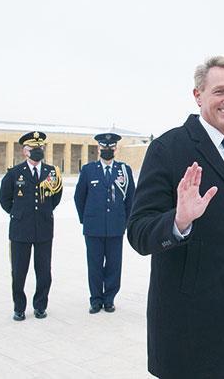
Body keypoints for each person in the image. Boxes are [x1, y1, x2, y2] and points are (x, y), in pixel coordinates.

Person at [127, 56, 224, 378]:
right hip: (187, 330)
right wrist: (179, 221)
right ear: (198, 95)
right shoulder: (168, 148)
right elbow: (138, 231)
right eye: (219, 92)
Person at [0, 131, 63, 321]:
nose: (37, 151)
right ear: (24, 151)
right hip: (20, 230)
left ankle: (40, 306)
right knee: (19, 272)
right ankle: (19, 307)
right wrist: (17, 214)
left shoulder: (51, 172)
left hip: (43, 228)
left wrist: (43, 211)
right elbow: (4, 199)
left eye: (40, 148)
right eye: (33, 149)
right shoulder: (14, 173)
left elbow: (55, 198)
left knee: (44, 272)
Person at [74, 132, 136, 314]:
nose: (107, 151)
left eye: (111, 148)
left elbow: (131, 198)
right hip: (93, 228)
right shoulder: (88, 170)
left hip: (116, 227)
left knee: (114, 265)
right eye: (104, 148)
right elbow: (79, 197)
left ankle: (109, 299)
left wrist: (125, 222)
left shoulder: (124, 170)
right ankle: (95, 299)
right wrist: (85, 220)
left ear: (116, 149)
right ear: (98, 149)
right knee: (94, 265)